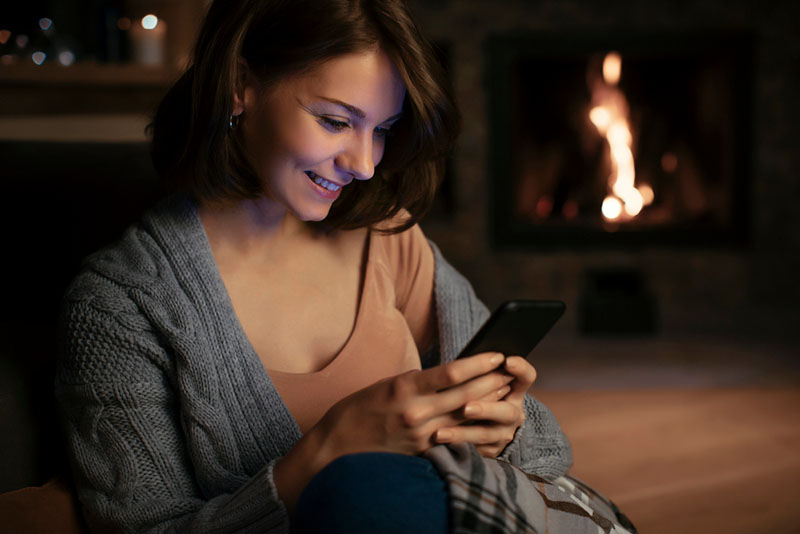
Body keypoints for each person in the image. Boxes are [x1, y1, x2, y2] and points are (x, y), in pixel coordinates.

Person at [55, 1, 602, 532]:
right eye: (336, 121)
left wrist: (507, 429)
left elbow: (550, 450)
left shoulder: (387, 237)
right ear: (240, 85)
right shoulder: (121, 303)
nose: (364, 165)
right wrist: (328, 449)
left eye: (382, 129)